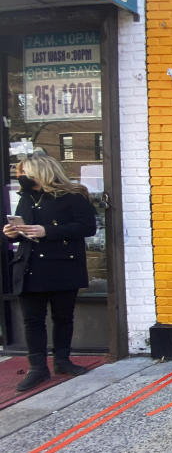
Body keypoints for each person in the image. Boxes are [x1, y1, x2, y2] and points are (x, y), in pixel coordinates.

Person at [3, 151, 98, 392]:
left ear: (40, 171)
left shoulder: (74, 196)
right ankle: (37, 368)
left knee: (63, 316)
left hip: (61, 264)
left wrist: (48, 231)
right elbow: (25, 226)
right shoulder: (26, 197)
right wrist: (13, 232)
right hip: (29, 265)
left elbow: (87, 227)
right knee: (32, 320)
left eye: (23, 172)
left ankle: (62, 360)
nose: (20, 176)